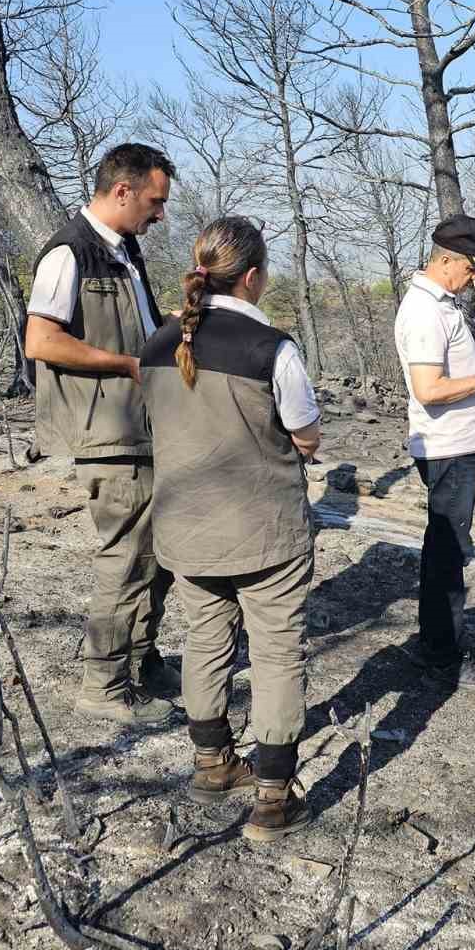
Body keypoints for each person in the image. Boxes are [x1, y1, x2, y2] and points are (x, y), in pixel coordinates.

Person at [139, 216, 321, 842]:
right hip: (265, 529)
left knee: (205, 640)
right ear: (252, 277)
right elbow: (305, 436)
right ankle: (273, 796)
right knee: (275, 652)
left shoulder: (157, 344)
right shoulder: (273, 348)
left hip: (186, 530)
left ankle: (212, 764)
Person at [24, 143, 179, 725]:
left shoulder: (125, 253)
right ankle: (103, 686)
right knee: (127, 559)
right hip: (107, 434)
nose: (159, 214)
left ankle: (144, 662)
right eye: (154, 201)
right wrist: (127, 364)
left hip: (142, 427)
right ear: (123, 191)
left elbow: (139, 329)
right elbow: (41, 342)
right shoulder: (70, 255)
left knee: (158, 555)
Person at [392, 214, 475, 689]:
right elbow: (428, 389)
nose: (474, 279)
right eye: (471, 269)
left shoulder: (443, 303)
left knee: (446, 547)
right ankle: (443, 655)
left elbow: (451, 373)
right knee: (449, 551)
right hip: (448, 446)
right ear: (447, 260)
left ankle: (437, 642)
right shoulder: (426, 310)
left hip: (460, 441)